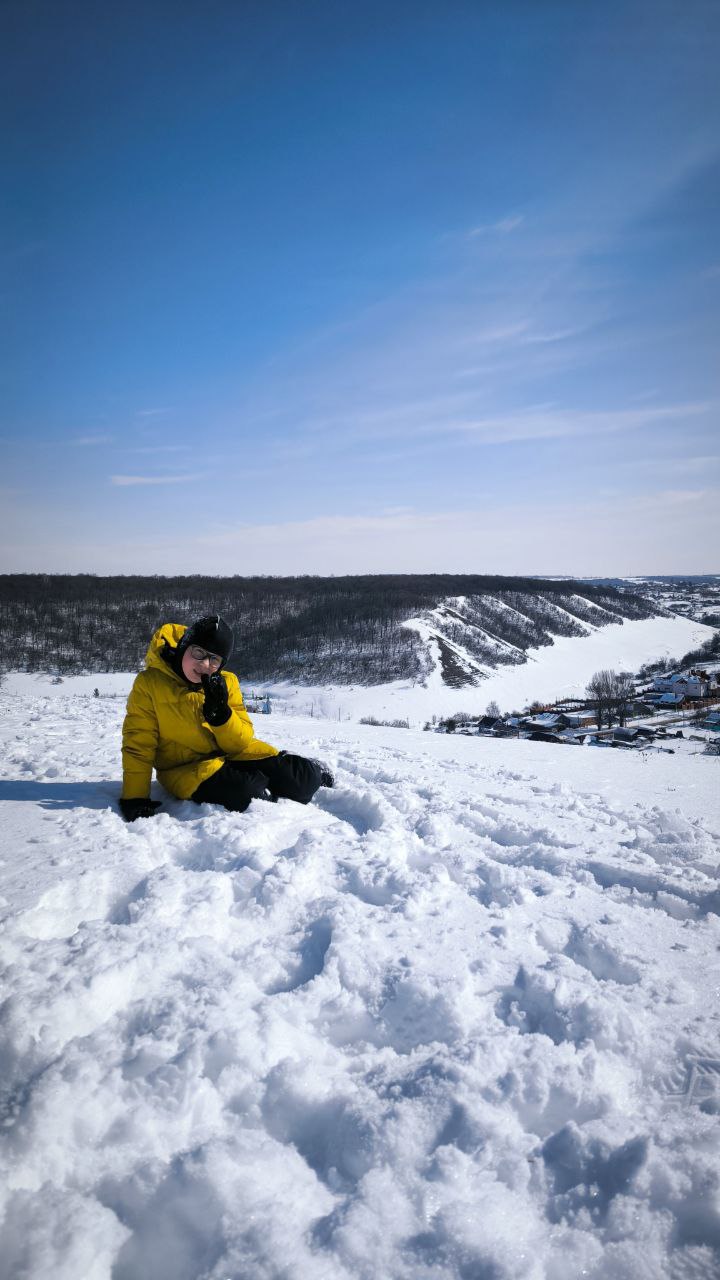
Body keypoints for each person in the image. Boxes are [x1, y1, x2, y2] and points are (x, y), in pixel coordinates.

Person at [119, 615, 333, 822]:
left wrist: (222, 717)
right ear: (184, 646)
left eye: (214, 659)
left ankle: (313, 769)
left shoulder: (227, 682)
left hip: (233, 754)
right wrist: (135, 797)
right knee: (249, 793)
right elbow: (139, 745)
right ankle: (262, 785)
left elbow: (241, 741)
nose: (205, 664)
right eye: (199, 652)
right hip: (187, 769)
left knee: (304, 780)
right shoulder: (150, 684)